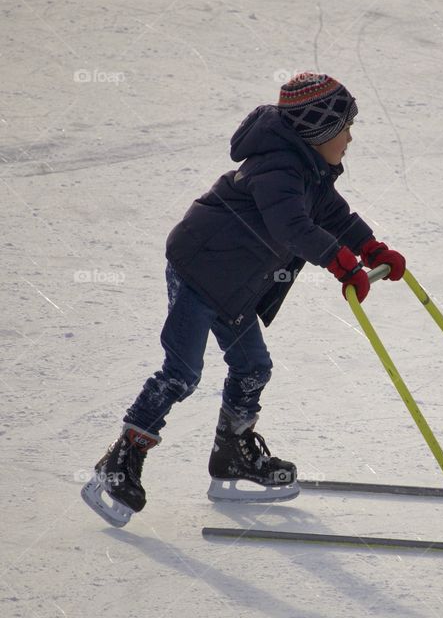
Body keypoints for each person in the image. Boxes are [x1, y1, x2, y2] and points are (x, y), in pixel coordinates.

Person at [81, 72, 406, 528]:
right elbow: (292, 226)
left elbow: (330, 212)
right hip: (199, 272)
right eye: (345, 128)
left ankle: (232, 454)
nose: (351, 137)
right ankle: (119, 459)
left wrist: (369, 247)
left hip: (235, 284)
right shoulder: (277, 169)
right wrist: (341, 263)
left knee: (253, 367)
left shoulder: (307, 168)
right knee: (182, 374)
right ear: (318, 132)